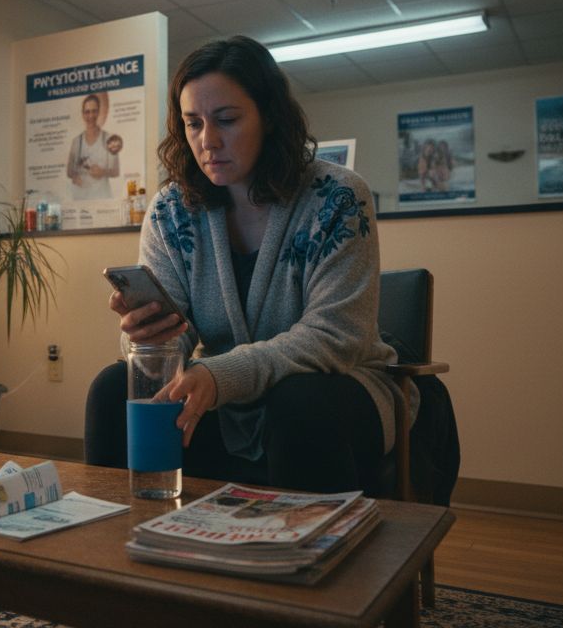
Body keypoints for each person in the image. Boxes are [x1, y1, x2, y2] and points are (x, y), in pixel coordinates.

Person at [84, 36, 447, 495]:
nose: (207, 141)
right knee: (113, 388)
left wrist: (220, 374)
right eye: (193, 123)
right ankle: (122, 536)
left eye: (227, 120)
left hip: (336, 390)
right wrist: (149, 338)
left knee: (298, 404)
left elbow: (336, 338)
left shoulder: (337, 196)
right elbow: (170, 345)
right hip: (221, 398)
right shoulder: (170, 211)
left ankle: (313, 542)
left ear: (270, 117)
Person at [66, 92, 118, 199]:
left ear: (99, 112)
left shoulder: (109, 139)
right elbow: (69, 171)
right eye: (87, 112)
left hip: (103, 197)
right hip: (81, 198)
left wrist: (103, 172)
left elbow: (116, 171)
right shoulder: (76, 141)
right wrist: (74, 176)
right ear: (83, 114)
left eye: (94, 111)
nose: (91, 116)